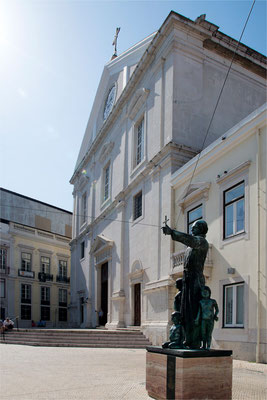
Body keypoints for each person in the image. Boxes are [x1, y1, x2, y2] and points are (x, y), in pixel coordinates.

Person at [163, 219, 209, 348]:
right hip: (187, 279)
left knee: (193, 311)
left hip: (195, 279)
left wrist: (172, 233)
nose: (192, 229)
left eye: (194, 228)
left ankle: (193, 341)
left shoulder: (201, 242)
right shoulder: (190, 246)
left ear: (201, 229)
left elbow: (191, 240)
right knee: (184, 310)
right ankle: (182, 339)